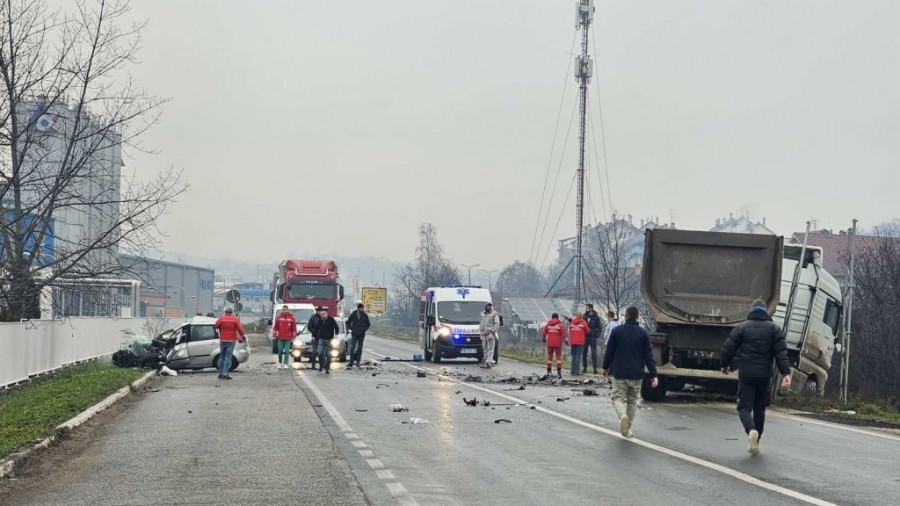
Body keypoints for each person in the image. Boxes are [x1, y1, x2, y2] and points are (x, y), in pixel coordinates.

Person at [720, 299, 792, 456]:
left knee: (744, 407)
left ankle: (751, 430)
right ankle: (756, 440)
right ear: (765, 311)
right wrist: (786, 373)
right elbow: (781, 354)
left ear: (751, 310)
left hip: (747, 374)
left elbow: (727, 349)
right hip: (764, 376)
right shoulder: (774, 329)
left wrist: (725, 365)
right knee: (760, 408)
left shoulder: (742, 328)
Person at [602, 305, 657, 438]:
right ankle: (628, 427)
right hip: (636, 373)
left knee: (617, 398)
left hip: (619, 372)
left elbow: (610, 351)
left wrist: (605, 367)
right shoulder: (643, 333)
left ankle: (622, 416)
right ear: (637, 317)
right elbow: (649, 356)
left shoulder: (616, 331)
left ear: (625, 316)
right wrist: (653, 375)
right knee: (632, 401)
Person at [213, 308, 247, 380]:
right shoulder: (235, 319)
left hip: (222, 340)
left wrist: (220, 331)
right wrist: (243, 336)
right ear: (232, 313)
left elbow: (215, 326)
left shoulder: (221, 318)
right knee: (228, 357)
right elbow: (240, 329)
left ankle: (220, 373)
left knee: (222, 357)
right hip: (231, 341)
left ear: (225, 312)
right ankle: (225, 373)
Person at [314, 308, 340, 374]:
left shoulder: (331, 320)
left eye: (323, 314)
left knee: (329, 354)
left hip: (329, 339)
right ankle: (321, 366)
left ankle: (327, 368)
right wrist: (313, 336)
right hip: (321, 339)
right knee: (320, 353)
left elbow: (336, 327)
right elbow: (316, 328)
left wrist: (336, 334)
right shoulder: (320, 320)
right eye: (321, 315)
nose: (322, 316)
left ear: (326, 314)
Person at [542, 313, 567, 378]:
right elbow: (563, 335)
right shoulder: (560, 325)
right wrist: (567, 342)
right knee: (558, 357)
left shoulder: (548, 324)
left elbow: (544, 332)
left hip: (550, 342)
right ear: (557, 318)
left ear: (552, 317)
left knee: (549, 357)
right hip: (557, 343)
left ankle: (548, 371)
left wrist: (544, 338)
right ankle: (559, 372)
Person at [272, 305, 298, 369]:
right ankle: (280, 362)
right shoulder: (279, 318)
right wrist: (274, 334)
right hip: (280, 337)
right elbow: (275, 327)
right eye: (283, 309)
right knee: (280, 351)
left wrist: (294, 335)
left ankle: (286, 363)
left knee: (287, 351)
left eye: (285, 309)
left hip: (288, 338)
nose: (284, 310)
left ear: (287, 310)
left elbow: (294, 327)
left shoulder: (291, 318)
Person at [346, 303, 371, 367]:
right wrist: (351, 328)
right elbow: (348, 322)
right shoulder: (353, 314)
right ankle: (351, 362)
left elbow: (368, 324)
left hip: (361, 335)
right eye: (361, 308)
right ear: (358, 308)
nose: (362, 309)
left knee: (359, 348)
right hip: (354, 334)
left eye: (363, 308)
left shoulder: (365, 315)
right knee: (352, 348)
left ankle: (358, 362)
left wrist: (364, 329)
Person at [479, 302, 501, 368]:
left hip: (490, 333)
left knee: (490, 348)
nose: (489, 307)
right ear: (485, 307)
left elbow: (497, 324)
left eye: (490, 306)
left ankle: (489, 362)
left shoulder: (494, 314)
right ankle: (485, 361)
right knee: (484, 348)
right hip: (483, 334)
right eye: (488, 306)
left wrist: (493, 330)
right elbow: (481, 323)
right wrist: (481, 332)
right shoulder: (483, 314)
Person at [582, 304, 603, 374]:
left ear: (591, 308)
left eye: (587, 308)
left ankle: (595, 369)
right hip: (585, 336)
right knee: (584, 353)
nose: (586, 309)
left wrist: (596, 335)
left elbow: (600, 327)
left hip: (592, 337)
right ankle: (584, 368)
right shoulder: (584, 316)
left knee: (594, 353)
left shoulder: (596, 317)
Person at [568, 312, 588, 376]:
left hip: (573, 341)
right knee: (578, 356)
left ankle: (572, 370)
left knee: (573, 356)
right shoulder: (583, 322)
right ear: (581, 316)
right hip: (580, 341)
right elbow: (587, 330)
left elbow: (570, 330)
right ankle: (576, 370)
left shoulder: (572, 322)